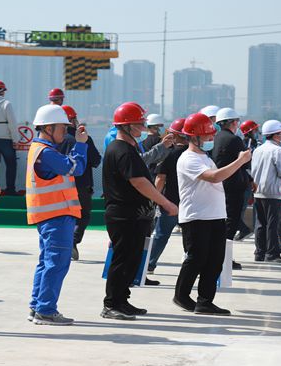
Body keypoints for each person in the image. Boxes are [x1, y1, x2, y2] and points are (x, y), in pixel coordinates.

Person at [101, 102, 178, 321]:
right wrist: (165, 202)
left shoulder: (129, 149)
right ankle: (111, 304)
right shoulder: (122, 150)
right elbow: (139, 182)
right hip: (124, 216)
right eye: (139, 124)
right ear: (127, 126)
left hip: (134, 216)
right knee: (122, 260)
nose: (143, 128)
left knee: (131, 260)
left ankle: (122, 300)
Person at [173, 112, 251, 316]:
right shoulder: (188, 159)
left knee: (215, 261)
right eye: (207, 135)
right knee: (196, 259)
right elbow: (214, 177)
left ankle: (205, 301)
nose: (211, 138)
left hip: (214, 215)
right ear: (194, 137)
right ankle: (181, 296)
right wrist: (239, 162)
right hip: (197, 216)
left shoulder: (204, 157)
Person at [26, 104, 87, 326]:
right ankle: (45, 310)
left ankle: (37, 306)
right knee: (56, 263)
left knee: (47, 263)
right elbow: (76, 168)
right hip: (56, 216)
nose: (65, 132)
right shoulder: (47, 152)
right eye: (62, 128)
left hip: (50, 215)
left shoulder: (39, 149)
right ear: (48, 128)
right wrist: (81, 145)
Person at [57, 105, 101, 261]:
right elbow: (96, 160)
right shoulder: (83, 139)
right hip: (81, 184)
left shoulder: (54, 141)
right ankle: (73, 240)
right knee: (83, 215)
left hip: (59, 185)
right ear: (73, 120)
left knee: (63, 216)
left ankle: (62, 243)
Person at [251, 120, 281, 263]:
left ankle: (260, 253)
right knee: (274, 225)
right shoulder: (279, 151)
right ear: (276, 135)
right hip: (274, 193)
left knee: (260, 224)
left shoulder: (258, 150)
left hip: (258, 191)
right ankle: (272, 254)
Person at [211, 107, 251, 270]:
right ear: (233, 122)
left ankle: (221, 257)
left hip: (219, 185)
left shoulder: (215, 138)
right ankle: (224, 259)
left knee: (221, 223)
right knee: (230, 225)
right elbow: (246, 163)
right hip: (233, 188)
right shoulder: (234, 140)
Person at [147, 118, 187, 275]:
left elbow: (160, 178)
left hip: (170, 202)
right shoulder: (197, 154)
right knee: (191, 236)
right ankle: (191, 265)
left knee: (161, 235)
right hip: (190, 202)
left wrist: (154, 199)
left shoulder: (170, 154)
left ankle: (149, 264)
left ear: (174, 135)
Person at [236, 119, 261, 241]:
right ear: (249, 132)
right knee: (241, 207)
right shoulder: (246, 144)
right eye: (255, 130)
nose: (258, 132)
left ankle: (256, 231)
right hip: (248, 180)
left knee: (257, 208)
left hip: (255, 180)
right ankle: (242, 230)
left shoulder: (258, 143)